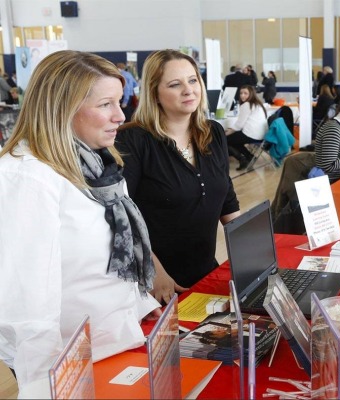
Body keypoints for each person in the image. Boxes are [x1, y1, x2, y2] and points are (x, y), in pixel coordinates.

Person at [0, 50, 161, 398]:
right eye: (106, 104)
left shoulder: (100, 163)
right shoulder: (27, 177)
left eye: (120, 102)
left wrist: (144, 312)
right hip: (65, 367)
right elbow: (26, 303)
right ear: (63, 108)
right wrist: (45, 387)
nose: (120, 115)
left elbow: (113, 266)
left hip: (114, 345)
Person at [116, 49, 240, 302]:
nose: (188, 90)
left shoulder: (213, 132)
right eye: (175, 84)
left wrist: (251, 249)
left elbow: (226, 195)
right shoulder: (133, 141)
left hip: (205, 273)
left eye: (193, 80)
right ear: (154, 93)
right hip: (155, 283)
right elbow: (121, 216)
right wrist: (154, 271)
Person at [224, 84, 269, 170]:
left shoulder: (247, 105)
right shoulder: (257, 104)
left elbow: (239, 126)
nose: (242, 95)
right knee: (234, 139)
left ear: (251, 94)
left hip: (252, 134)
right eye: (241, 93)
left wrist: (226, 133)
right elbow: (240, 125)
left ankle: (242, 160)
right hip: (261, 135)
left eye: (245, 93)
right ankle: (249, 156)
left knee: (225, 140)